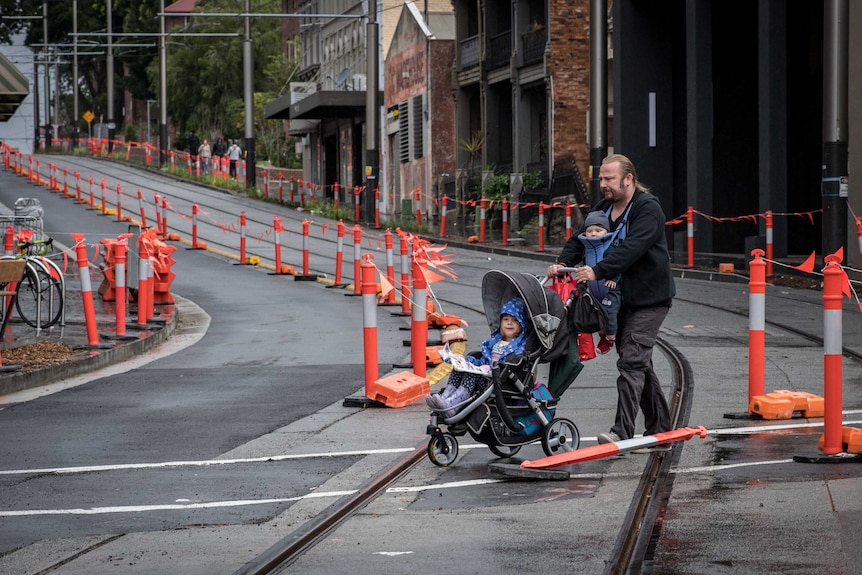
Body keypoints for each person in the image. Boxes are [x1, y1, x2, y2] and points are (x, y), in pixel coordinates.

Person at [547, 154, 675, 451]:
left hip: (649, 300)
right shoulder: (605, 208)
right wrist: (562, 263)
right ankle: (662, 430)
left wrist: (597, 270)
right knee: (640, 365)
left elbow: (632, 248)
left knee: (631, 361)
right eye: (601, 179)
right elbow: (581, 239)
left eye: (609, 179)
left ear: (628, 179)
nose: (602, 184)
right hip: (616, 302)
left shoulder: (647, 208)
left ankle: (621, 432)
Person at [425, 297, 529, 417]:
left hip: (499, 381)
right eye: (506, 319)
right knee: (459, 369)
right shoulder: (495, 343)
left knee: (471, 374)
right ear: (500, 323)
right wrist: (465, 362)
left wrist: (486, 369)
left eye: (515, 320)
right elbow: (483, 361)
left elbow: (511, 365)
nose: (509, 323)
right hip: (486, 376)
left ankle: (453, 405)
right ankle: (445, 398)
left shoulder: (519, 347)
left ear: (522, 324)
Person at [578, 210, 621, 355]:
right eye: (589, 231)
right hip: (595, 288)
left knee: (609, 311)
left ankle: (610, 337)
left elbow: (619, 263)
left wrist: (613, 278)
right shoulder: (587, 248)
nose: (594, 234)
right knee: (595, 313)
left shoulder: (610, 247)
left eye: (598, 230)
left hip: (610, 288)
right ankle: (603, 334)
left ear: (606, 231)